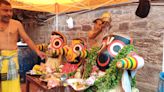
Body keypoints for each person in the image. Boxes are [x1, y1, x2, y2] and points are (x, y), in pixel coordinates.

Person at [0, 0, 46, 92]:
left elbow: (27, 39)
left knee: (11, 85)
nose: (9, 13)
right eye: (5, 10)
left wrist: (37, 51)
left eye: (10, 11)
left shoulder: (16, 24)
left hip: (11, 61)